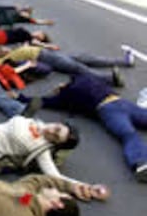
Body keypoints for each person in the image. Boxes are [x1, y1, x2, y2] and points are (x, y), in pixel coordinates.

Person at [17, 73, 147, 182]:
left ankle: (140, 162)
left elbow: (46, 100)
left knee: (130, 132)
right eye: (57, 89)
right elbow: (45, 101)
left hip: (120, 102)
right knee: (128, 134)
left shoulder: (78, 80)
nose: (57, 87)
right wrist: (21, 98)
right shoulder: (67, 95)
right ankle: (140, 162)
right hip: (109, 109)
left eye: (58, 87)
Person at [0, 44, 135, 87]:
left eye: (1, 47)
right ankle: (110, 79)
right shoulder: (5, 59)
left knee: (87, 58)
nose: (2, 49)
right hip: (44, 57)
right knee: (77, 67)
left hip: (47, 53)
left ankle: (125, 61)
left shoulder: (15, 49)